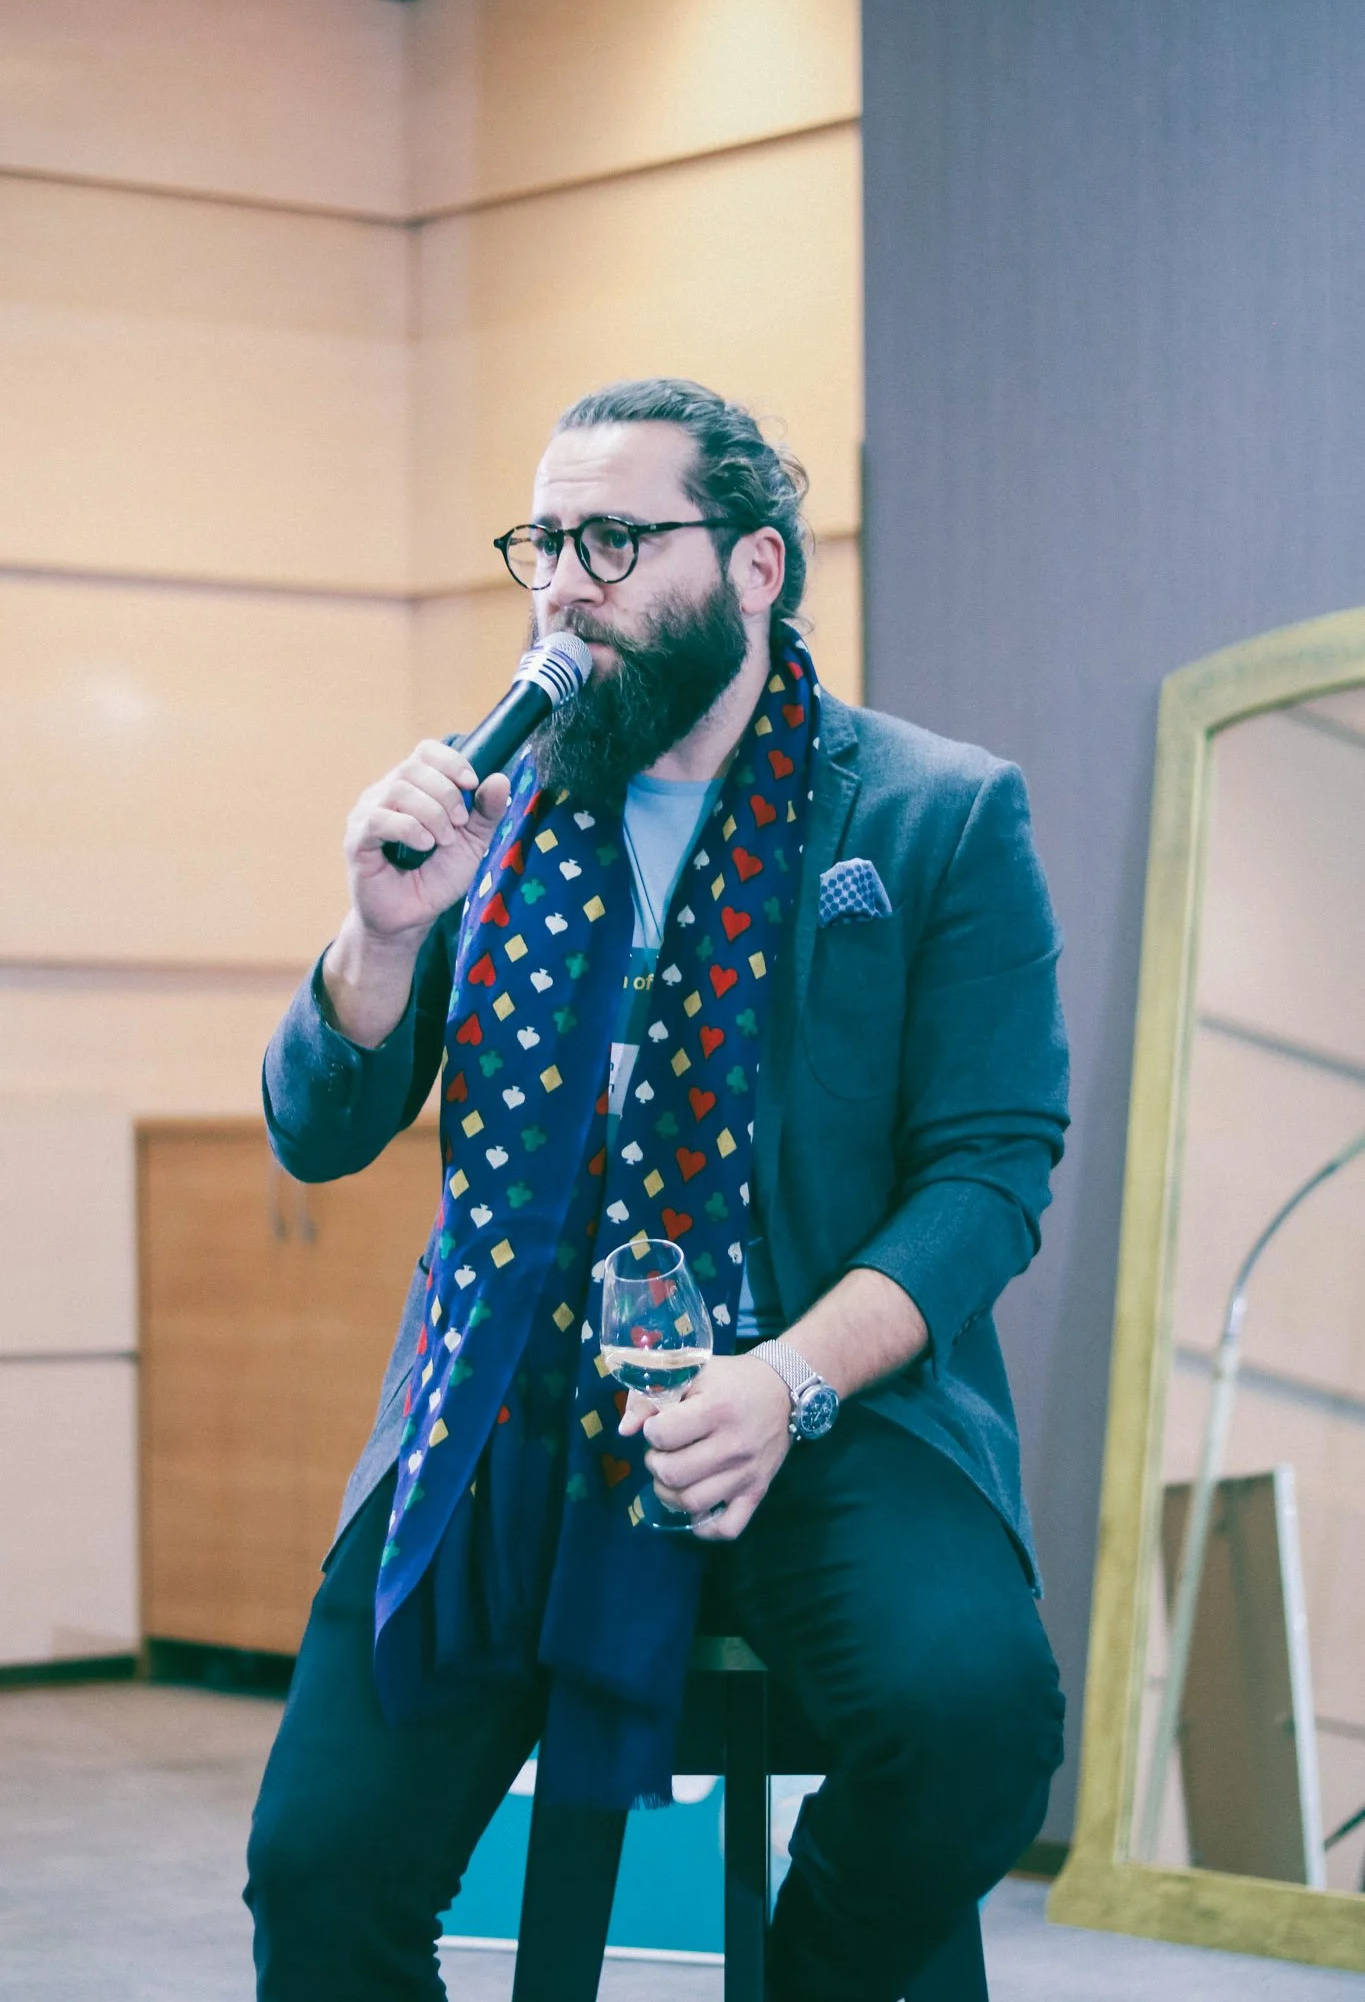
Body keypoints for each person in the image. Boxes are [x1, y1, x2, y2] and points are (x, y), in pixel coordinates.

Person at [245, 377, 1069, 2002]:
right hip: (506, 1408)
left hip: (816, 1400)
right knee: (318, 1876)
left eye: (614, 539)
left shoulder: (930, 814)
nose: (563, 584)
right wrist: (382, 936)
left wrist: (786, 1380)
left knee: (977, 1721)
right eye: (544, 543)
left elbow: (990, 1174)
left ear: (756, 567)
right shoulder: (494, 817)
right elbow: (320, 1134)